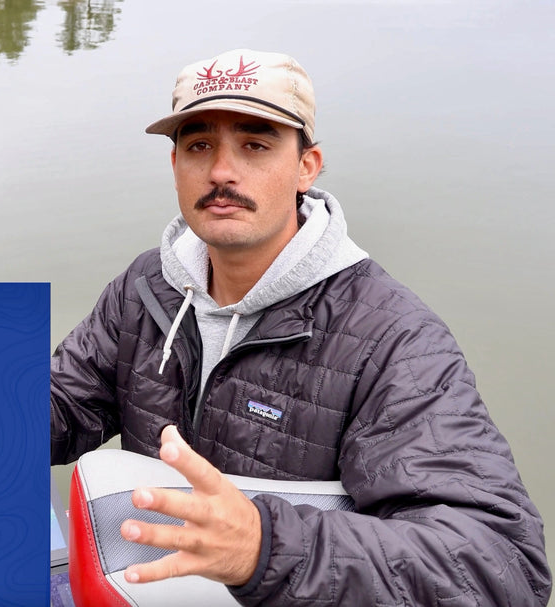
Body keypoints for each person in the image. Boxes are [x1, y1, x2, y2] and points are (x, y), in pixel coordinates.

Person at [50, 48, 550, 605]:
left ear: (306, 166)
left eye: (255, 145)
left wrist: (264, 549)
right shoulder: (146, 287)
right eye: (198, 146)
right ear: (175, 168)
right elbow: (60, 405)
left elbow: (500, 566)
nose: (221, 172)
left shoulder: (394, 341)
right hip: (142, 586)